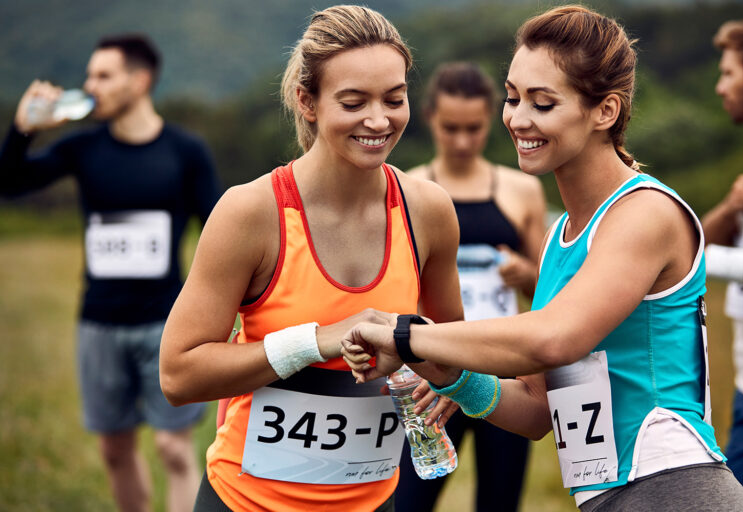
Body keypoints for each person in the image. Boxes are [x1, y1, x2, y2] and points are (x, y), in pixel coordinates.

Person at [342, 5, 743, 511]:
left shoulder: (644, 212)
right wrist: (443, 369)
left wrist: (408, 336)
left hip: (674, 486)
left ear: (605, 111)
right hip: (609, 497)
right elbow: (537, 410)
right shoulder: (562, 234)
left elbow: (554, 338)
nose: (518, 119)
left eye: (542, 103)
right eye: (513, 98)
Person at [158, 5, 464, 512]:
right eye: (353, 102)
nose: (378, 120)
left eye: (395, 99)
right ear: (308, 101)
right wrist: (316, 341)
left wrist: (445, 376)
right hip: (245, 501)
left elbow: (453, 349)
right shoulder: (251, 212)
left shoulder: (428, 211)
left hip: (372, 502)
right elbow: (178, 374)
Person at [0, 34, 222, 512]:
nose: (89, 85)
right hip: (98, 324)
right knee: (115, 450)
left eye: (103, 75)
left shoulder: (186, 151)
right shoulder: (82, 148)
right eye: (89, 75)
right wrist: (22, 131)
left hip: (167, 325)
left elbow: (218, 233)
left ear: (140, 81)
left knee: (174, 449)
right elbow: (9, 183)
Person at [400, 61, 546, 512]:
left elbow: (553, 296)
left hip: (503, 373)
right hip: (432, 371)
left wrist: (526, 275)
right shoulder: (408, 187)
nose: (462, 141)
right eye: (450, 128)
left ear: (492, 120)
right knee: (408, 499)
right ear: (429, 119)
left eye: (474, 129)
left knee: (499, 501)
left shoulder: (521, 190)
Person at [701, 16, 743, 510]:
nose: (721, 87)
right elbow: (696, 237)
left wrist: (711, 262)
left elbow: (696, 251)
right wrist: (731, 205)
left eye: (729, 73)